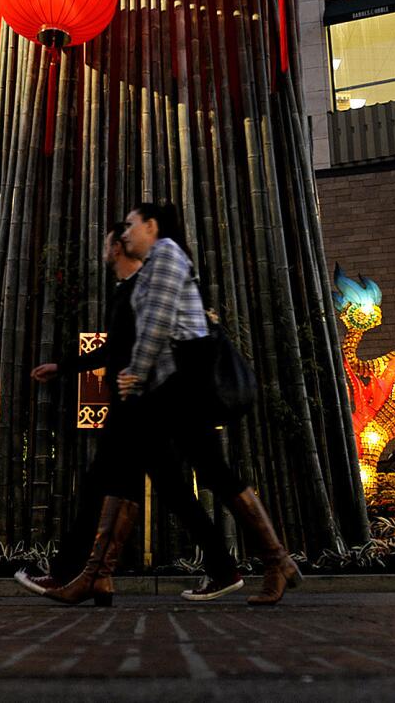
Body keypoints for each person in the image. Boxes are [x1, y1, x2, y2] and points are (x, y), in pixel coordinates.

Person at [50, 202, 300, 607]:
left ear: (152, 225)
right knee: (182, 470)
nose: (125, 232)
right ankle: (274, 562)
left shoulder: (165, 254)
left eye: (131, 225)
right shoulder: (152, 265)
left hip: (186, 382)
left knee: (151, 467)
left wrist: (135, 371)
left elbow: (157, 323)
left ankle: (96, 575)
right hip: (171, 384)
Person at [16, 223, 144, 598]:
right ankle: (96, 576)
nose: (104, 250)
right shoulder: (129, 290)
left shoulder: (139, 290)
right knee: (119, 490)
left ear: (118, 246)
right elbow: (113, 350)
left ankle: (70, 572)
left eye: (108, 243)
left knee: (101, 489)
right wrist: (63, 367)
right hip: (134, 404)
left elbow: (129, 350)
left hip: (136, 404)